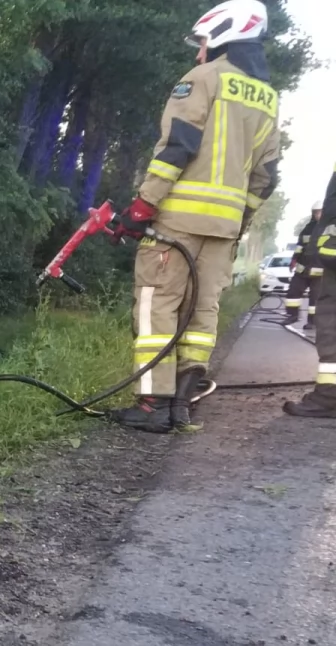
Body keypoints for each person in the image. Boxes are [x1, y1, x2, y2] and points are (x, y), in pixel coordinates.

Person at [109, 0, 281, 433]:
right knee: (203, 311)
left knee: (157, 304)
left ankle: (152, 405)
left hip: (177, 221)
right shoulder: (267, 98)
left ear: (222, 35)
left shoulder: (203, 79)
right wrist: (239, 222)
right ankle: (182, 404)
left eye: (202, 41)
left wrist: (143, 205)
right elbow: (266, 176)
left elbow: (177, 148)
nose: (198, 51)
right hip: (224, 229)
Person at [284, 165, 336, 417]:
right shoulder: (306, 229)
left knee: (331, 321)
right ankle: (293, 316)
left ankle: (329, 397)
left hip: (330, 264)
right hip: (311, 269)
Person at [283, 201, 325, 328]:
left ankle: (312, 322)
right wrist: (294, 259)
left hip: (320, 272)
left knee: (316, 299)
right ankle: (292, 316)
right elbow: (300, 245)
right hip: (302, 269)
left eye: (321, 212)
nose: (318, 215)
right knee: (293, 293)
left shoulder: (330, 228)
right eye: (316, 212)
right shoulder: (308, 228)